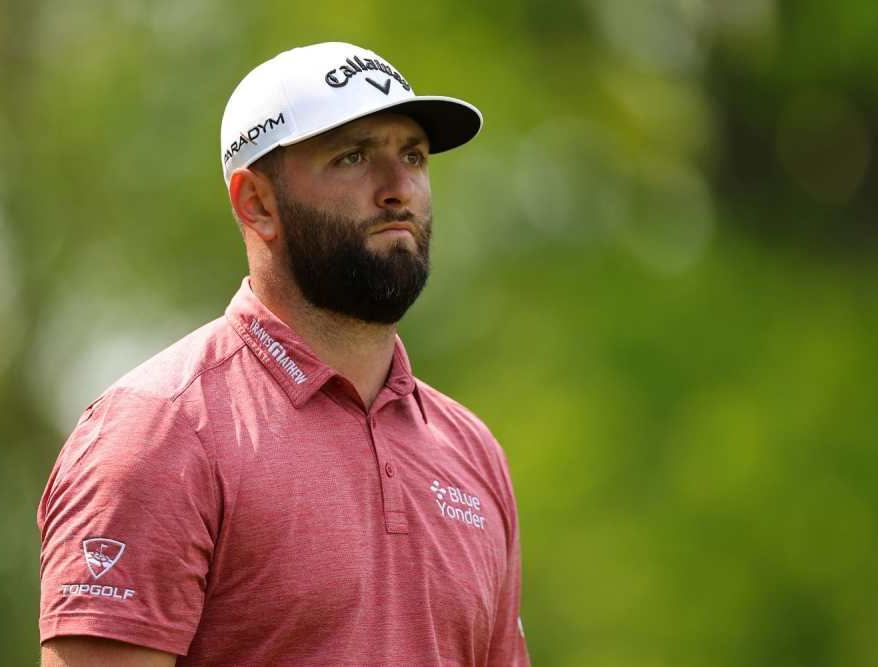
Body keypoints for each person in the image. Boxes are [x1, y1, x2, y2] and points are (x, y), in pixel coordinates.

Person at [38, 42, 530, 666]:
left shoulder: (473, 452)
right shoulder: (159, 431)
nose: (399, 188)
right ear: (257, 204)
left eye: (413, 156)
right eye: (353, 157)